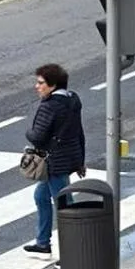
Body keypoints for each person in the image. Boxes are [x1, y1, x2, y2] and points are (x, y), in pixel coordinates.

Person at [22, 64, 87, 256]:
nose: (37, 86)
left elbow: (38, 137)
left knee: (65, 206)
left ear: (52, 85)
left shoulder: (50, 106)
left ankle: (74, 251)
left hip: (54, 162)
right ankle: (42, 244)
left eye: (41, 83)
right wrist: (80, 160)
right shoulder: (73, 100)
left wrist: (28, 132)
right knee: (41, 197)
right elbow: (79, 133)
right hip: (68, 157)